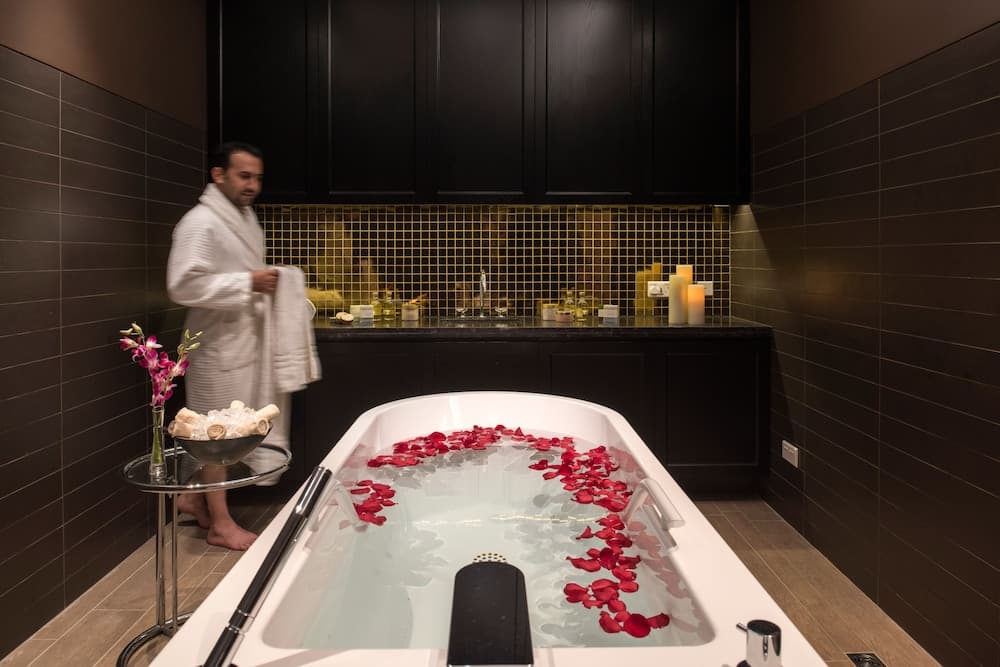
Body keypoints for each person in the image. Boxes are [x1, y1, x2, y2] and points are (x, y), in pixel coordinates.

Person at [166, 141, 288, 550]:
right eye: (244, 176)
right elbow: (181, 285)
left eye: (258, 178)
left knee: (231, 431)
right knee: (215, 436)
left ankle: (193, 499)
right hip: (215, 345)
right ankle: (220, 523)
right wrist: (247, 282)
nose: (252, 185)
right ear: (218, 175)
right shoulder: (200, 223)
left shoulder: (244, 217)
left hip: (241, 341)